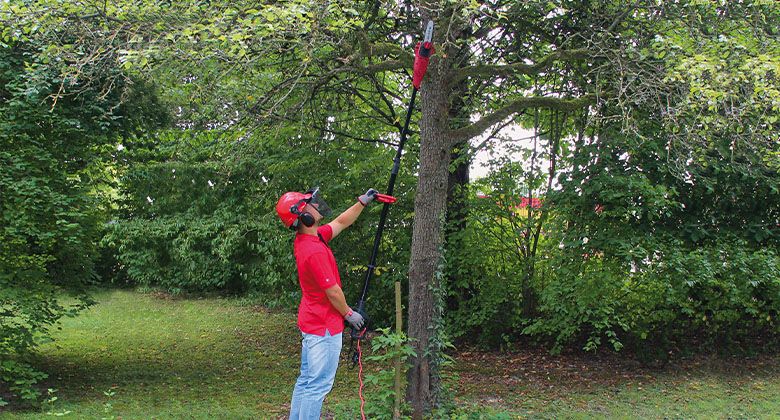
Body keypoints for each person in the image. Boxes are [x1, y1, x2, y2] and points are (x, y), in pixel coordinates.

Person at [276, 187, 378, 420]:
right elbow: (333, 292)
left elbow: (341, 222)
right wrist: (349, 314)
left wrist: (362, 202)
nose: (316, 204)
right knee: (318, 385)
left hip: (313, 321)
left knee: (306, 379)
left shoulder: (312, 238)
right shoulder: (313, 251)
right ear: (304, 216)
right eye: (310, 204)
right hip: (323, 327)